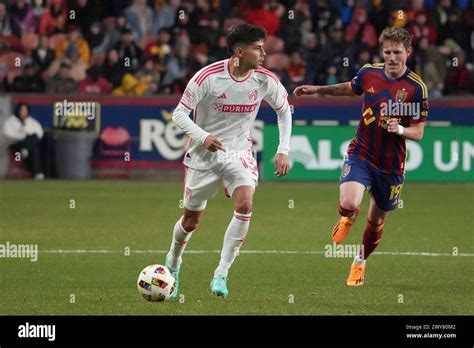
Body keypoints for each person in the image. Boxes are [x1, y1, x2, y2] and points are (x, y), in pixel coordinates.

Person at [164, 23, 292, 298]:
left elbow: (284, 111)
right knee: (191, 221)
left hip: (239, 152)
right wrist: (203, 137)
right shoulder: (207, 77)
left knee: (245, 204)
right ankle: (173, 264)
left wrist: (283, 149)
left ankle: (221, 273)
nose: (263, 53)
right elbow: (179, 114)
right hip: (203, 154)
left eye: (263, 47)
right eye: (257, 48)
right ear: (239, 51)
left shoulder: (265, 79)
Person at [294, 27, 428, 286]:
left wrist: (400, 129)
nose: (391, 57)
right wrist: (316, 89)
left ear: (408, 53)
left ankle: (359, 262)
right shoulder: (369, 73)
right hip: (361, 153)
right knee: (348, 203)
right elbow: (350, 87)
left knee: (376, 221)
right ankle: (348, 216)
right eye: (387, 52)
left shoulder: (415, 88)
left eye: (397, 52)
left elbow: (419, 132)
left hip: (390, 164)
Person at [3, 102, 45, 179]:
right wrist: (23, 136)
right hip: (16, 148)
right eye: (22, 110)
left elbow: (39, 133)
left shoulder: (31, 121)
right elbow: (7, 134)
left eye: (25, 110)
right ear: (18, 110)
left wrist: (27, 138)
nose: (23, 112)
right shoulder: (10, 121)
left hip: (28, 148)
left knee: (34, 143)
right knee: (31, 144)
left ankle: (36, 173)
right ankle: (26, 150)